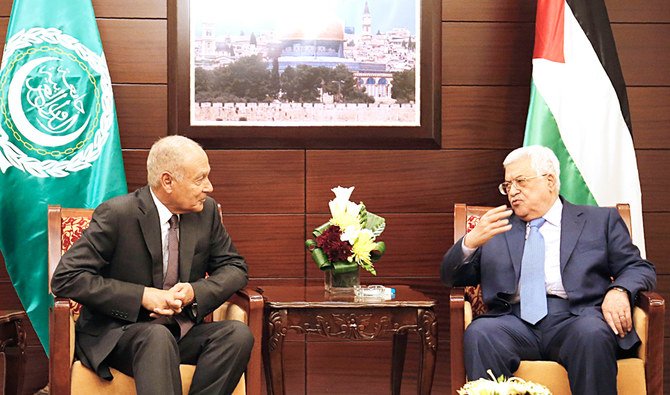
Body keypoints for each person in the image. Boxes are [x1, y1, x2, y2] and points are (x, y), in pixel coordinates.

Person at [441, 145, 655, 395]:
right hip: (513, 321)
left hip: (576, 318)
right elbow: (450, 277)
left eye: (520, 181)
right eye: (507, 185)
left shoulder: (600, 221)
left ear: (550, 181)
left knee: (592, 333)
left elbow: (638, 267)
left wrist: (619, 290)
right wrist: (470, 242)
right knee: (480, 333)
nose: (512, 191)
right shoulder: (494, 228)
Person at [51, 135, 253, 395]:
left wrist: (194, 292)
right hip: (121, 334)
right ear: (167, 181)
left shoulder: (206, 212)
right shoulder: (117, 215)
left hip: (179, 330)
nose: (209, 187)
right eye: (199, 179)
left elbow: (234, 267)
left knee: (237, 335)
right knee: (156, 337)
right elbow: (66, 277)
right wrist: (142, 296)